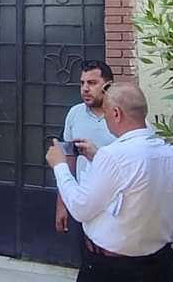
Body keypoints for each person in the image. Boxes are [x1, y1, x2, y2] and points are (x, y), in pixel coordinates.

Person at [47, 83, 173, 282]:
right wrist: (96, 157)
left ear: (116, 113)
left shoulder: (114, 155)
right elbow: (133, 185)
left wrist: (59, 166)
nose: (105, 119)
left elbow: (80, 208)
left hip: (113, 269)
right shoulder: (171, 153)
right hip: (161, 266)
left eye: (105, 113)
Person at [56, 60, 117, 236]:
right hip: (83, 203)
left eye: (92, 83)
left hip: (115, 207)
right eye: (82, 83)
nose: (85, 89)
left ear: (108, 86)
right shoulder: (75, 114)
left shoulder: (122, 117)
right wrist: (62, 204)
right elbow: (69, 160)